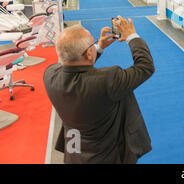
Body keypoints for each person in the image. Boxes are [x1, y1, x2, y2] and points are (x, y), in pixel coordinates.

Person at [43, 17, 155, 164]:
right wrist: (131, 36)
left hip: (74, 153)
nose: (95, 43)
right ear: (88, 54)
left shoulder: (50, 74)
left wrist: (98, 48)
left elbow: (73, 65)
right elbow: (145, 66)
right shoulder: (108, 80)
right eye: (93, 43)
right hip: (106, 156)